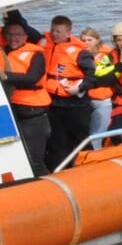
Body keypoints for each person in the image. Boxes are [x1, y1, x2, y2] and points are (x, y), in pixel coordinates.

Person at [41, 15, 96, 163]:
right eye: (53, 30)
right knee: (57, 141)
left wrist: (79, 89)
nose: (54, 34)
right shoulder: (47, 45)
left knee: (80, 138)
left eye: (58, 31)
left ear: (68, 33)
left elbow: (92, 75)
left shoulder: (80, 52)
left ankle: (90, 165)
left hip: (76, 104)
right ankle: (59, 170)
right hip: (54, 103)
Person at [2, 20, 51, 174]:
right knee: (14, 157)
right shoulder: (4, 53)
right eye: (9, 34)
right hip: (11, 111)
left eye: (17, 35)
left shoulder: (36, 55)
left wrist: (4, 76)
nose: (13, 38)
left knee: (34, 160)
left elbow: (32, 78)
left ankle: (49, 191)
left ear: (25, 37)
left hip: (33, 114)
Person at [79, 27, 115, 136]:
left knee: (96, 134)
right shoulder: (79, 56)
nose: (86, 43)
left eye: (90, 40)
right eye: (83, 40)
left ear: (97, 40)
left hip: (104, 101)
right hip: (84, 101)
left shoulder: (108, 55)